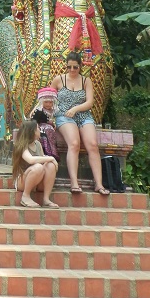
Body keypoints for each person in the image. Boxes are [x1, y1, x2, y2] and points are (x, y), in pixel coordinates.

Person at [50, 51, 110, 195]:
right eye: (69, 67)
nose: (72, 70)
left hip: (83, 115)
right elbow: (49, 98)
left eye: (75, 67)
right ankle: (74, 183)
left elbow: (90, 102)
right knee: (74, 143)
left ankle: (99, 184)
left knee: (93, 145)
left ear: (80, 66)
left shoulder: (85, 81)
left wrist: (75, 109)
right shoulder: (58, 80)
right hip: (64, 115)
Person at [12, 119, 59, 208]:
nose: (39, 129)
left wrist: (50, 160)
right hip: (22, 182)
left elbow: (42, 160)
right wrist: (51, 158)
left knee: (50, 165)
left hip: (38, 181)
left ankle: (46, 199)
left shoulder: (38, 144)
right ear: (32, 131)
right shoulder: (21, 145)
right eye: (37, 128)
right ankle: (25, 196)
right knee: (38, 167)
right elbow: (31, 160)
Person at [30, 86, 60, 162]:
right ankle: (46, 151)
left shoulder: (55, 111)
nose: (48, 104)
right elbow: (34, 121)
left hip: (52, 129)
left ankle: (53, 152)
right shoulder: (39, 111)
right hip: (41, 128)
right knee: (47, 129)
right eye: (46, 102)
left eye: (50, 102)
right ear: (41, 102)